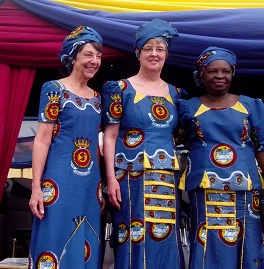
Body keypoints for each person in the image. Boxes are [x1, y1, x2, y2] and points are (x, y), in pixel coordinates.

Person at [177, 46, 264, 269]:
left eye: (226, 71)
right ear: (201, 75)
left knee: (248, 243)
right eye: (212, 71)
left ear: (232, 74)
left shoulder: (252, 105)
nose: (220, 76)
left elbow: (263, 146)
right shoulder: (187, 107)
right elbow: (182, 139)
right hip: (204, 188)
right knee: (207, 241)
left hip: (246, 189)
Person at [102, 18, 186, 269]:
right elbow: (109, 136)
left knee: (166, 237)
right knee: (133, 236)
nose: (154, 54)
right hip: (130, 177)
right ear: (138, 53)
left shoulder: (177, 94)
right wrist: (111, 179)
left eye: (160, 49)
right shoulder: (119, 89)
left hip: (166, 177)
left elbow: (181, 139)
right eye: (148, 48)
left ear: (166, 55)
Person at [28, 26, 105, 269]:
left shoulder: (97, 97)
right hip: (59, 179)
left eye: (98, 56)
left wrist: (101, 183)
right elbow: (42, 139)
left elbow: (96, 143)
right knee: (55, 236)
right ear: (73, 57)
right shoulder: (54, 89)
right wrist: (36, 187)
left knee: (87, 241)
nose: (94, 61)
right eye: (88, 55)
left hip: (89, 183)